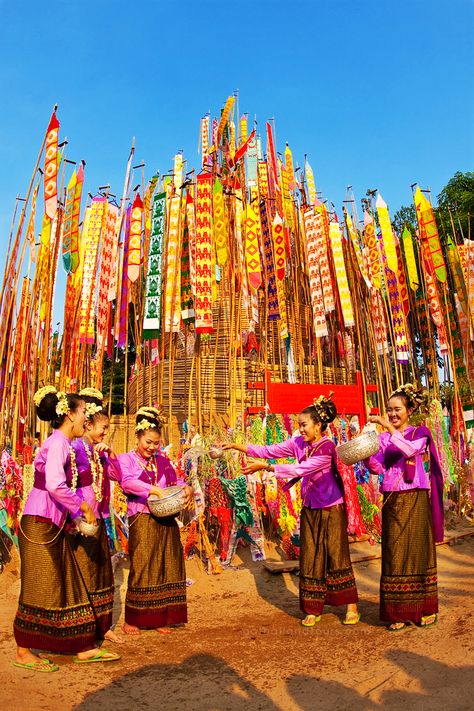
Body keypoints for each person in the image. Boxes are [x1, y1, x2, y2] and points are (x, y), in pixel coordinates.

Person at [222, 395, 360, 627]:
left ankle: (351, 606)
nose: (300, 430)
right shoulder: (298, 443)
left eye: (304, 425)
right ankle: (313, 608)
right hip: (310, 508)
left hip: (331, 509)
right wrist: (237, 446)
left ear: (318, 425)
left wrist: (266, 468)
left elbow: (302, 468)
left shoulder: (327, 448)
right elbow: (269, 450)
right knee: (311, 556)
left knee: (337, 555)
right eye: (298, 425)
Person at [13, 386, 120, 672]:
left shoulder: (62, 443)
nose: (87, 417)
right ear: (70, 414)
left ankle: (82, 646)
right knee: (39, 588)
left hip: (51, 523)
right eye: (83, 411)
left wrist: (71, 518)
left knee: (69, 584)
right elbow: (54, 485)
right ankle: (23, 651)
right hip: (38, 524)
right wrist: (80, 508)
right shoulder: (58, 442)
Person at [365, 383, 444, 631]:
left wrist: (389, 429)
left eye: (397, 409)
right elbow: (377, 468)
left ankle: (425, 608)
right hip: (391, 498)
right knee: (394, 552)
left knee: (417, 551)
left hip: (415, 497)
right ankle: (397, 611)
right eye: (389, 410)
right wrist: (366, 450)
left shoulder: (419, 433)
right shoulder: (382, 438)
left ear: (409, 410)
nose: (392, 414)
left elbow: (410, 450)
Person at [117, 406, 194, 635]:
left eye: (156, 443)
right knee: (143, 566)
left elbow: (176, 481)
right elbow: (127, 482)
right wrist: (153, 490)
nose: (152, 447)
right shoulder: (126, 459)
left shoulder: (162, 460)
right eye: (148, 442)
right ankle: (133, 619)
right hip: (141, 517)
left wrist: (186, 488)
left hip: (166, 517)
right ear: (138, 436)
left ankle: (160, 616)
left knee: (166, 564)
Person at [66, 387, 123, 644]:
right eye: (103, 428)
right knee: (85, 575)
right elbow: (68, 485)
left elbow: (116, 476)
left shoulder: (98, 451)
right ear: (87, 425)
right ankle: (85, 631)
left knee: (102, 574)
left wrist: (110, 455)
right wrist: (76, 514)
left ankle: (103, 626)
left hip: (100, 519)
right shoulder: (76, 448)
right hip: (81, 522)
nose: (105, 433)